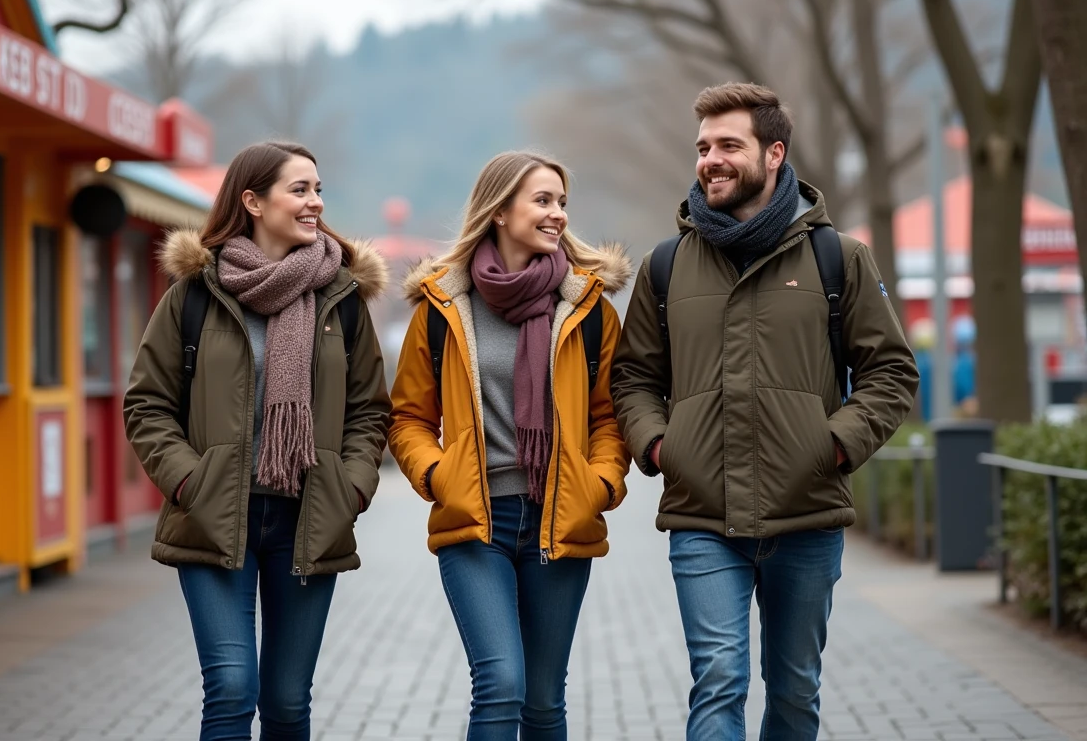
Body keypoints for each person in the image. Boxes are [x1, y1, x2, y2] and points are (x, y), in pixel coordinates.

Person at [610, 83, 918, 740]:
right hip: (702, 514)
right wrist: (663, 447)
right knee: (718, 679)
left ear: (774, 153)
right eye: (701, 147)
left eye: (728, 145)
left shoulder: (839, 258)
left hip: (807, 514)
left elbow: (892, 372)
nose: (710, 159)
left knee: (795, 690)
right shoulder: (666, 266)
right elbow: (633, 376)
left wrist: (832, 446)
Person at [123, 141, 390, 741]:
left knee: (289, 704)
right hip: (214, 514)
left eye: (318, 190)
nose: (315, 202)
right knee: (231, 689)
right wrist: (190, 479)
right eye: (299, 190)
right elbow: (147, 403)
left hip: (309, 515)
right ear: (252, 200)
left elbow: (370, 412)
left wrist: (350, 487)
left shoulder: (341, 300)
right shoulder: (195, 294)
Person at [389, 150, 632, 740]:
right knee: (500, 684)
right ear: (499, 211)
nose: (558, 215)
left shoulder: (587, 307)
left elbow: (610, 417)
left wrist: (601, 483)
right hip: (477, 521)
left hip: (560, 517)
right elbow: (407, 418)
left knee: (544, 702)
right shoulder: (444, 306)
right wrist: (436, 476)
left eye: (562, 203)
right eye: (543, 201)